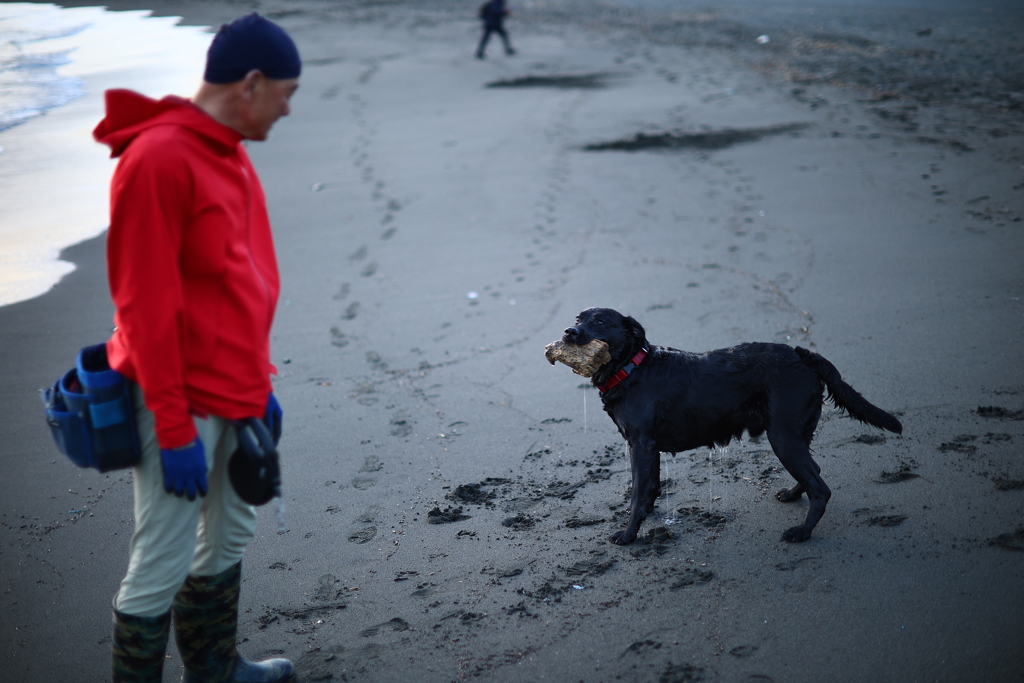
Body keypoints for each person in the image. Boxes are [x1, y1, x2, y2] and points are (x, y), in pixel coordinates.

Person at [92, 13, 300, 683]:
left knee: (231, 533)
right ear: (251, 82)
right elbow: (144, 306)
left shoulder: (229, 147)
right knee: (162, 558)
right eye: (285, 93)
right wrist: (175, 426)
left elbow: (237, 282)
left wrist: (257, 386)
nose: (288, 109)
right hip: (175, 400)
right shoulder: (157, 160)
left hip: (236, 388)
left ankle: (214, 669)